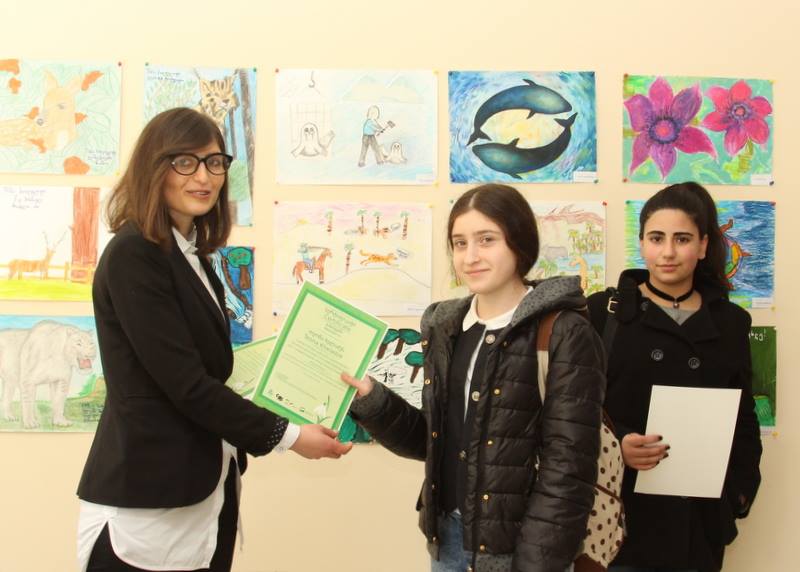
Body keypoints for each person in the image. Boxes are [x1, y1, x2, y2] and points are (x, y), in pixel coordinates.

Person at [76, 107, 352, 572]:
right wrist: (288, 436)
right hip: (148, 501)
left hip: (206, 492)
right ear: (154, 168)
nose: (204, 177)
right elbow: (185, 384)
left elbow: (206, 373)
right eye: (185, 162)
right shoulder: (134, 253)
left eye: (215, 162)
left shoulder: (195, 257)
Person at [342, 184, 606, 572]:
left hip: (523, 551)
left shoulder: (564, 331)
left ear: (519, 242)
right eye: (459, 243)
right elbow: (432, 441)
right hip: (447, 540)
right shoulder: (446, 326)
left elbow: (568, 467)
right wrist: (371, 399)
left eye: (487, 240)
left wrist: (536, 563)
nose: (470, 257)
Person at [586, 182, 762, 572]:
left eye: (682, 239)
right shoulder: (602, 313)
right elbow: (573, 410)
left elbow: (743, 417)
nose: (667, 252)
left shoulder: (731, 322)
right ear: (642, 243)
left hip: (698, 524)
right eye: (656, 238)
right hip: (618, 522)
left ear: (703, 246)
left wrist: (739, 494)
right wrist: (618, 445)